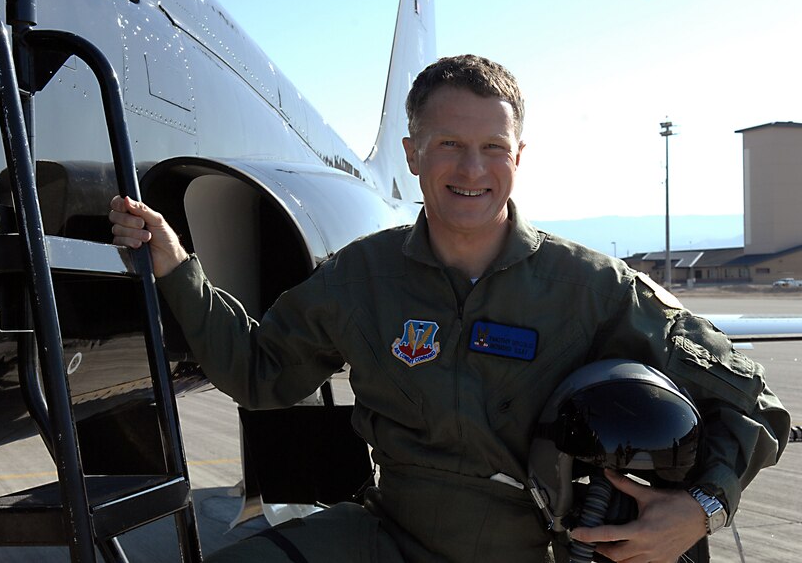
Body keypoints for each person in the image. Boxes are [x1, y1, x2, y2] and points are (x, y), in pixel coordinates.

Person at [109, 54, 790, 563]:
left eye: (493, 148)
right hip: (395, 537)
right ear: (413, 154)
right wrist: (174, 265)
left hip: (542, 548)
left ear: (518, 156)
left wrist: (702, 510)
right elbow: (260, 372)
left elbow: (754, 399)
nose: (472, 170)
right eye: (449, 146)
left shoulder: (591, 287)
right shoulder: (361, 279)